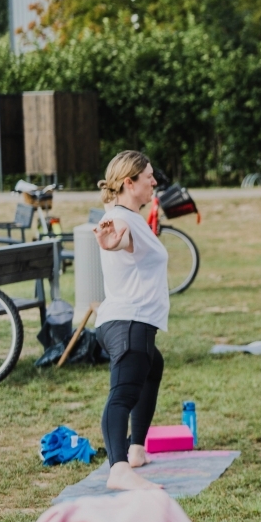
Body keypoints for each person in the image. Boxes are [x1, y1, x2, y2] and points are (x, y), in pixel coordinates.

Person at [93, 151, 171, 492]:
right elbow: (119, 238)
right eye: (149, 177)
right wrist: (114, 241)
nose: (154, 181)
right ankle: (119, 469)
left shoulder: (133, 217)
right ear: (129, 182)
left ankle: (136, 448)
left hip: (131, 321)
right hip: (128, 323)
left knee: (153, 366)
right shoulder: (120, 219)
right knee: (122, 394)